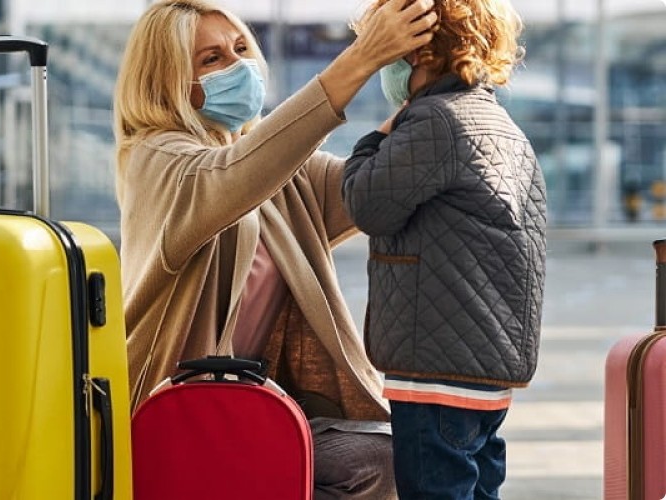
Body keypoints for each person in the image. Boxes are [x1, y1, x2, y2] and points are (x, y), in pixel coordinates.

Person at [113, 0, 437, 498]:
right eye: (211, 59)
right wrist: (362, 57)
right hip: (172, 414)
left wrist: (433, 88)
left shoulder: (276, 168)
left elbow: (366, 185)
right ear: (168, 82)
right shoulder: (156, 161)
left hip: (253, 406)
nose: (237, 65)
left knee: (376, 460)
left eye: (241, 48)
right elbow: (236, 176)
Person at [341, 0, 546, 498]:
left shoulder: (435, 120)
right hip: (487, 370)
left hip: (435, 371)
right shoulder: (502, 125)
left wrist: (374, 139)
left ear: (417, 52)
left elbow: (367, 204)